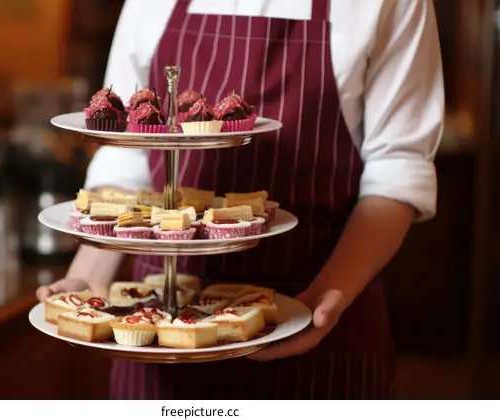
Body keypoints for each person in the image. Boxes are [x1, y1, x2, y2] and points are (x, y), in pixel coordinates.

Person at [37, 0, 444, 399]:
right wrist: (91, 274)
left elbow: (398, 167)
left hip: (316, 314)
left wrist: (329, 292)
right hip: (153, 326)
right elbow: (127, 150)